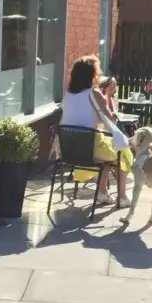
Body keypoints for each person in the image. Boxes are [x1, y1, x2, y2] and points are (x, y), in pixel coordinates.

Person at [60, 55, 132, 206]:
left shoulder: (67, 96)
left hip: (70, 151)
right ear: (92, 75)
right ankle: (123, 197)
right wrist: (109, 95)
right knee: (123, 152)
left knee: (106, 152)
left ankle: (102, 193)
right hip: (90, 148)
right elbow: (112, 119)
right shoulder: (93, 93)